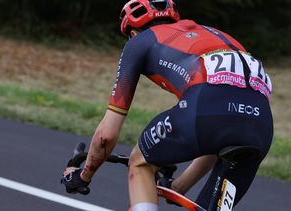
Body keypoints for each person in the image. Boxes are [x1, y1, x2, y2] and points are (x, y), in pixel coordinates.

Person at [61, 0, 273, 210]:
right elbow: (220, 131)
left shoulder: (140, 42)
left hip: (205, 113)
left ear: (133, 33)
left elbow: (106, 136)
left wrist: (83, 175)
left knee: (140, 162)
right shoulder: (221, 37)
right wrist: (179, 187)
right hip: (260, 127)